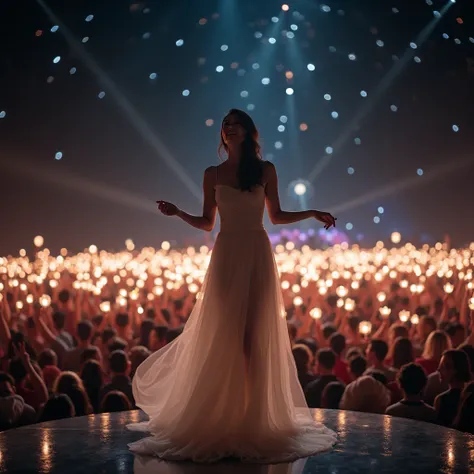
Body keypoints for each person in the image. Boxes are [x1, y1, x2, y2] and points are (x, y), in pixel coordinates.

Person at [127, 108, 337, 462]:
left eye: (235, 123)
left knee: (255, 336)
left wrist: (312, 213)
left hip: (256, 251)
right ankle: (223, 411)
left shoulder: (265, 169)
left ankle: (254, 416)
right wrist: (179, 213)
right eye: (225, 125)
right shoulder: (212, 174)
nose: (228, 129)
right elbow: (208, 222)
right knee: (225, 332)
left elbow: (277, 216)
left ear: (248, 131)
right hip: (226, 255)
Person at [434, 349, 471, 427]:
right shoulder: (469, 395)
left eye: (443, 366)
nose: (438, 369)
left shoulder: (441, 400)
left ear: (455, 370)